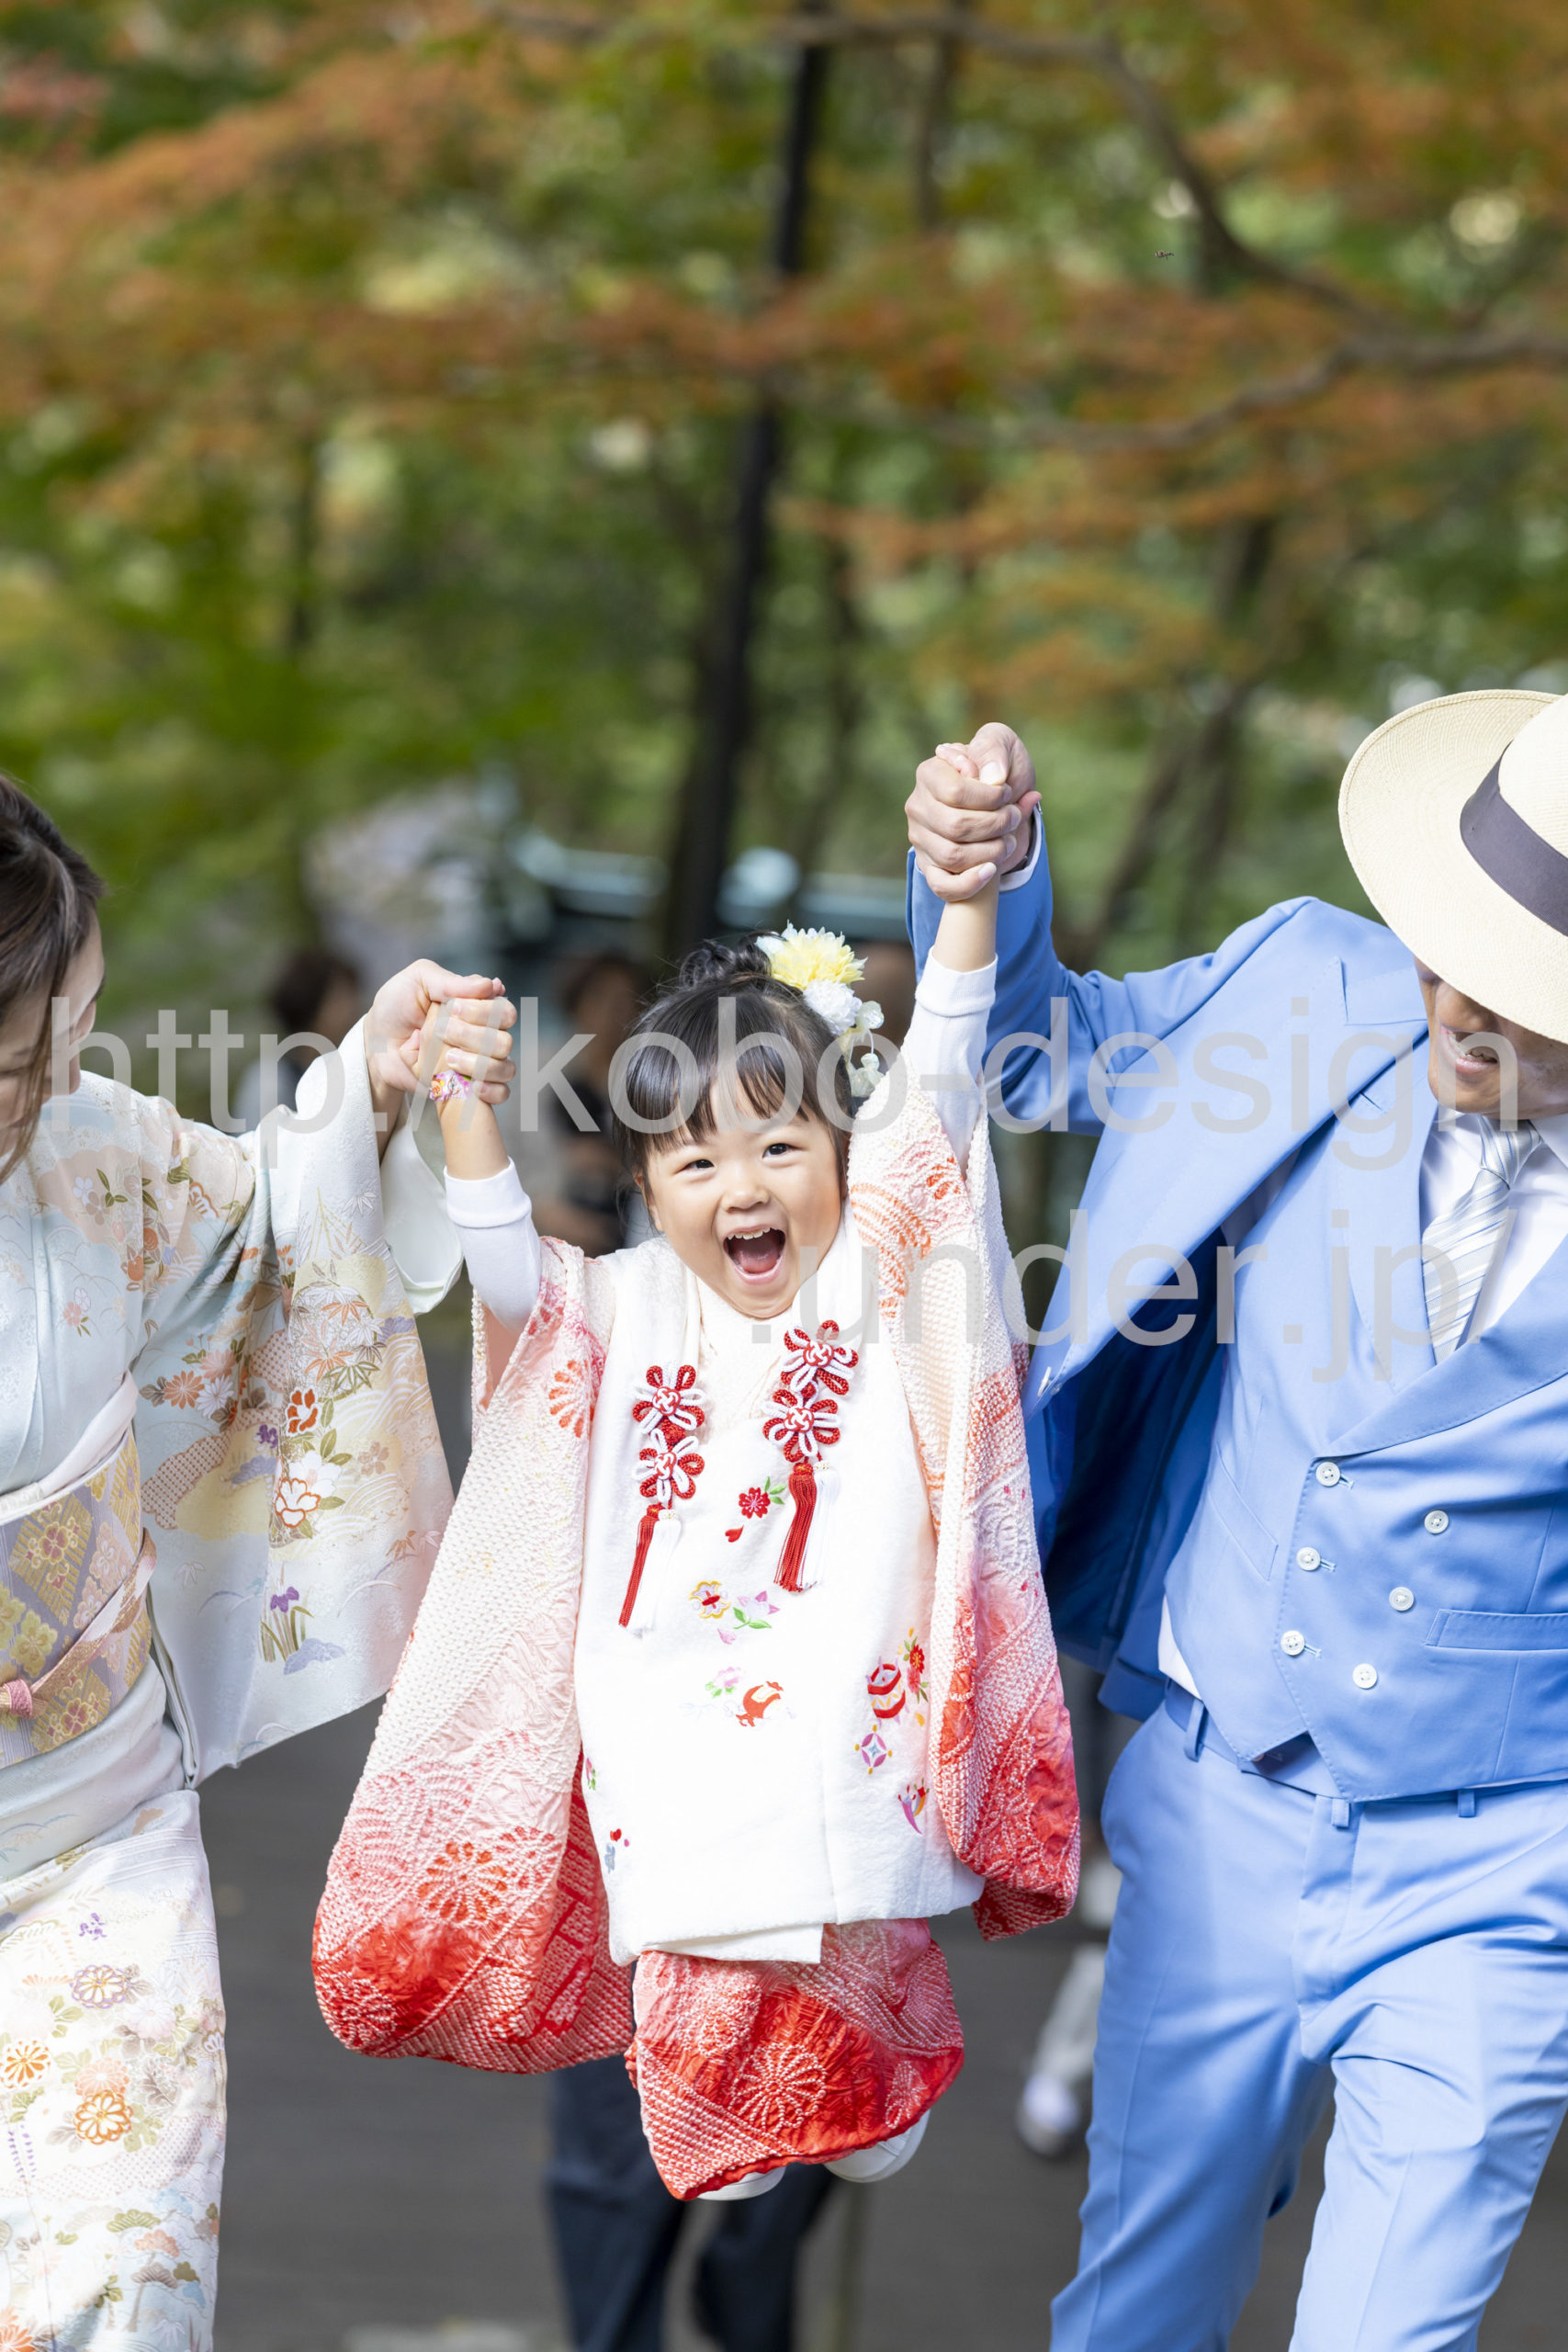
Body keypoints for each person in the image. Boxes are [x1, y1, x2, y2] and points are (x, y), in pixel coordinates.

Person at [905, 688, 1568, 2348]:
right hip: (1218, 1801)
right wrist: (988, 875)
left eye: (1519, 995)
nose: (1454, 1007)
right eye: (1448, 954)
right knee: (1138, 2307)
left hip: (1508, 1857)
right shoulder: (1306, 987)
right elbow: (1035, 1054)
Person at [314, 915, 1079, 2199]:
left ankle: (858, 2085)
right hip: (672, 1733)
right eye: (694, 1158)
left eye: (781, 1147)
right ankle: (728, 2116)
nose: (743, 1188)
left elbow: (939, 1088)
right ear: (645, 1181)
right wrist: (462, 1102)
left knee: (855, 1961)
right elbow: (508, 1272)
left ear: (846, 1152)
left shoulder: (875, 1279)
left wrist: (964, 911)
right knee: (701, 1989)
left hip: (848, 1725)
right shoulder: (617, 1304)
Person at [0, 778, 513, 2346]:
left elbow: (269, 1229)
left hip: (92, 1831)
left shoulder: (94, 1152)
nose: (58, 1083)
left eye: (75, 1035)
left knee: (122, 2282)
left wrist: (371, 1084)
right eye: (21, 1057)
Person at [232, 945, 364, 1129]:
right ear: (316, 1008)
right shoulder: (270, 1082)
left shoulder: (340, 1073)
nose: (355, 1009)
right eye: (343, 999)